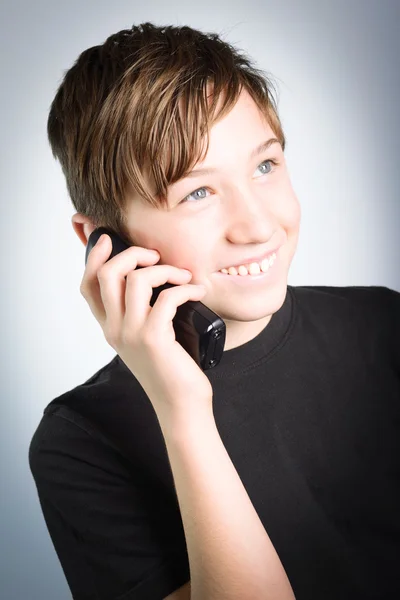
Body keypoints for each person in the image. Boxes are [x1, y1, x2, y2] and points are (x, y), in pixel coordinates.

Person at [29, 21, 400, 600]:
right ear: (103, 240)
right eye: (197, 193)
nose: (257, 226)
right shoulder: (80, 442)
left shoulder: (384, 327)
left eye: (265, 166)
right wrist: (184, 412)